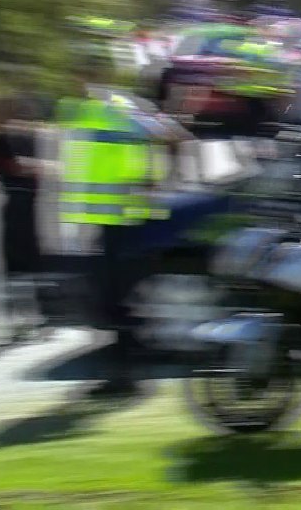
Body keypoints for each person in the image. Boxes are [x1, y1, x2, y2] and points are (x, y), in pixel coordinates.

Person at [57, 47, 193, 395]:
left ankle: (125, 378)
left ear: (86, 75)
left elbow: (173, 134)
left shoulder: (112, 108)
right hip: (111, 220)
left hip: (123, 220)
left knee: (115, 300)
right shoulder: (97, 108)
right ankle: (124, 375)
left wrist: (156, 182)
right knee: (113, 299)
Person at [0, 95, 47, 336]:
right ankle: (17, 314)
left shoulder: (26, 137)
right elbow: (0, 169)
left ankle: (34, 312)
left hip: (30, 202)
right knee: (15, 259)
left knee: (31, 257)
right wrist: (31, 167)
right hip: (13, 201)